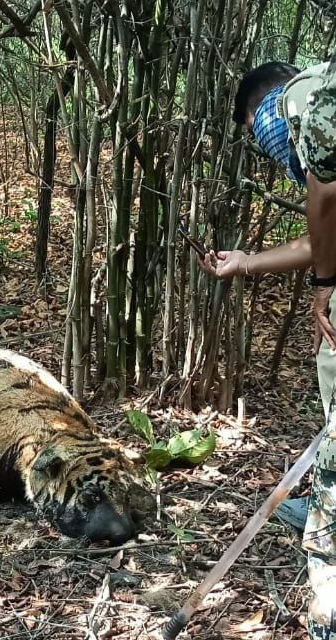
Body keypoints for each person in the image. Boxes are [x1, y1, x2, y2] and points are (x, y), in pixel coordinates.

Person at [200, 58, 336, 638]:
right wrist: (246, 262)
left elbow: (324, 198)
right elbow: (321, 234)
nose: (269, 144)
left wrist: (325, 286)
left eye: (258, 127)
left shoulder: (308, 98)